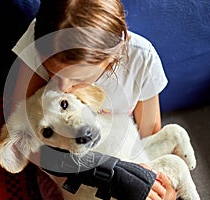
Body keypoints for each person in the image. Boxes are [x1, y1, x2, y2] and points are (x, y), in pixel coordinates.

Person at [9, 0, 176, 199]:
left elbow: (149, 133)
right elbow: (23, 131)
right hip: (63, 167)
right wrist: (103, 172)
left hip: (122, 154)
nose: (62, 87)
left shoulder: (141, 59)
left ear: (114, 55)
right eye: (52, 72)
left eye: (79, 78)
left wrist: (162, 184)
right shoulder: (42, 41)